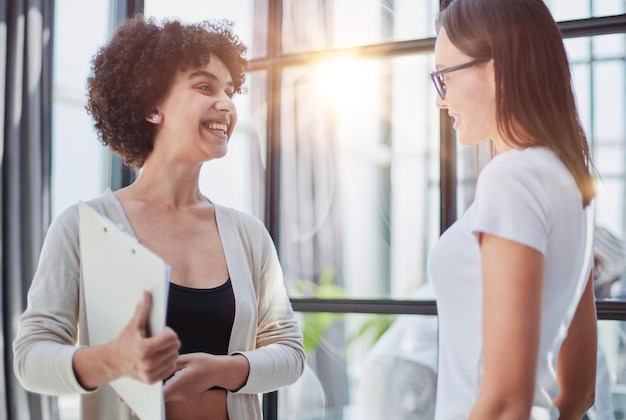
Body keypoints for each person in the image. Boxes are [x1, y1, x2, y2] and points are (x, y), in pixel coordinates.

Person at [13, 14, 305, 420]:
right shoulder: (81, 227)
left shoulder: (247, 234)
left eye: (229, 90)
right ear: (152, 107)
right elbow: (31, 357)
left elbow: (290, 352)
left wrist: (224, 370)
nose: (226, 104)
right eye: (205, 87)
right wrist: (113, 360)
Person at [428, 0, 597, 419]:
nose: (440, 100)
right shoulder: (569, 180)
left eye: (443, 77)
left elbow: (506, 399)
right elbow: (578, 392)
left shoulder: (512, 178)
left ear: (495, 67)